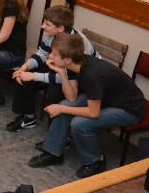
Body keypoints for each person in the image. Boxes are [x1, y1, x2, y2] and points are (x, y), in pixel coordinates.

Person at [26, 33, 145, 178]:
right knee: (65, 104)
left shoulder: (92, 75)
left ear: (67, 60)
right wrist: (61, 73)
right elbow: (71, 97)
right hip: (107, 99)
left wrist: (61, 109)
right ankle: (53, 152)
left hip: (129, 109)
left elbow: (93, 113)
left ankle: (95, 161)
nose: (50, 56)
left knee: (79, 123)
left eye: (54, 54)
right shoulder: (75, 64)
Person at [6, 6, 98, 132]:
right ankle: (28, 118)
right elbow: (43, 54)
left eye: (47, 24)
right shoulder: (50, 34)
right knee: (26, 73)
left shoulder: (76, 44)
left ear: (61, 28)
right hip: (61, 65)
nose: (42, 26)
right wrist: (26, 66)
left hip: (82, 77)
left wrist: (35, 76)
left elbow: (70, 77)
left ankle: (55, 133)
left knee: (55, 91)